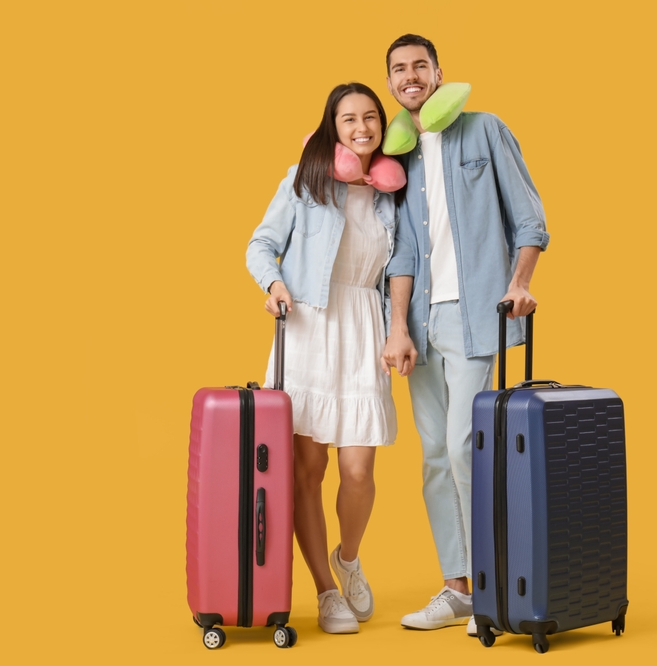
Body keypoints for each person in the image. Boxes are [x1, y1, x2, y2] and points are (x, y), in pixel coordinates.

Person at [379, 34, 550, 635]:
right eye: (398, 70)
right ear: (392, 83)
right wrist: (397, 326)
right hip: (420, 325)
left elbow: (530, 219)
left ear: (437, 72)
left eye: (419, 66)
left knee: (463, 449)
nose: (410, 76)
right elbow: (399, 254)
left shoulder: (484, 130)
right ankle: (456, 588)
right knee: (431, 457)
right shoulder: (395, 161)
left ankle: (493, 587)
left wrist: (520, 283)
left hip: (481, 314)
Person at [246, 82, 411, 635]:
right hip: (309, 327)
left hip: (364, 326)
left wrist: (400, 329)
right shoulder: (305, 181)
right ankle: (324, 590)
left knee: (358, 471)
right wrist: (272, 284)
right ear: (332, 126)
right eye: (349, 119)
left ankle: (348, 559)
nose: (361, 127)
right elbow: (259, 244)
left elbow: (402, 270)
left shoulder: (392, 193)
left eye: (371, 118)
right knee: (307, 470)